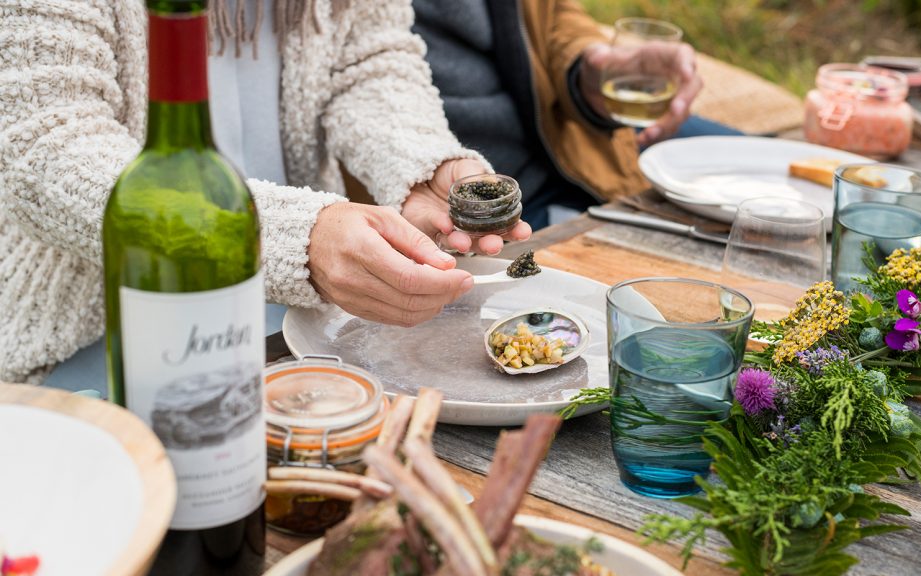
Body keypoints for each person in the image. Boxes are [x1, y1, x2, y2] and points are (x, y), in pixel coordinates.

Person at [0, 0, 530, 385]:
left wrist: (419, 165)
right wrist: (295, 238)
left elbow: (371, 62)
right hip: (103, 337)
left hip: (295, 323)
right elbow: (46, 147)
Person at [411, 0, 741, 228]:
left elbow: (550, 12)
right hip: (490, 205)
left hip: (576, 131)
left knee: (767, 196)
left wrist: (588, 67)